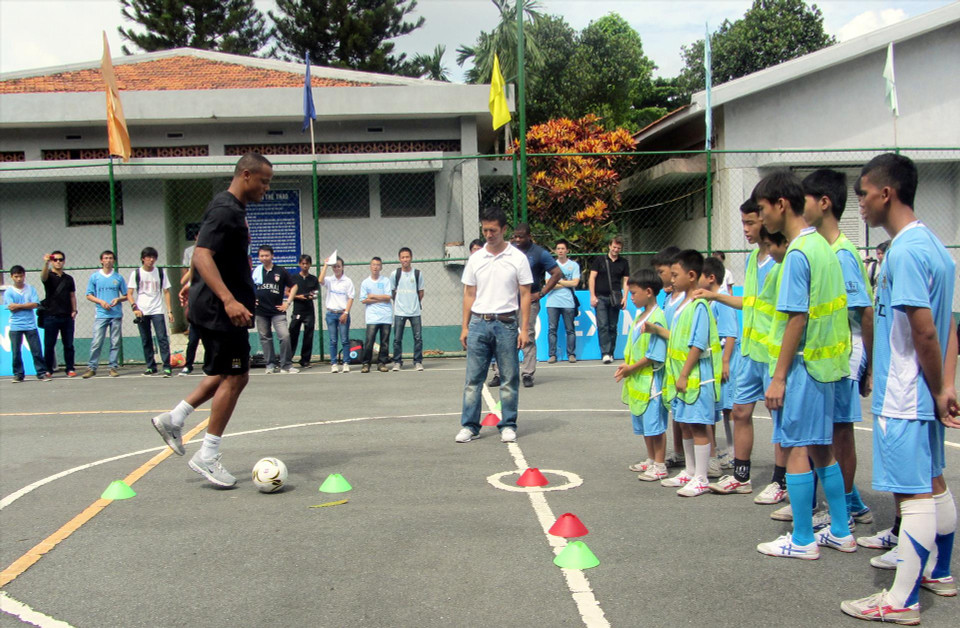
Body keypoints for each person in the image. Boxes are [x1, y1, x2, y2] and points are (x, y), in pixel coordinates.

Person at [841, 154, 958, 623]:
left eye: (864, 195)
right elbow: (951, 324)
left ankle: (900, 600)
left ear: (886, 193)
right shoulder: (934, 246)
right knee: (931, 484)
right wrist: (945, 386)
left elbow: (927, 330)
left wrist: (935, 386)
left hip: (905, 393)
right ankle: (940, 572)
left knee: (912, 496)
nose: (862, 206)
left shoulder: (906, 252)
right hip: (922, 391)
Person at [150, 152, 271, 488]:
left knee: (225, 374)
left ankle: (174, 418)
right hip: (221, 312)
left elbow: (201, 246)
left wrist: (192, 282)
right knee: (236, 377)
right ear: (246, 175)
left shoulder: (228, 206)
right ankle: (207, 455)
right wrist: (229, 299)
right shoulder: (225, 209)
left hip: (214, 307)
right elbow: (203, 253)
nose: (265, 188)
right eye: (263, 181)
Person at [751, 171, 854, 560]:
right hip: (826, 366)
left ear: (781, 204)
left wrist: (778, 378)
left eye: (762, 210)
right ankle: (841, 530)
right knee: (821, 448)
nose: (762, 219)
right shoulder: (824, 247)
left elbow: (797, 318)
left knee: (795, 446)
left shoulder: (796, 253)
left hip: (804, 366)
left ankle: (803, 538)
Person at [802, 169, 875, 527]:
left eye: (806, 200)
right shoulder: (824, 249)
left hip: (848, 351)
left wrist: (870, 366)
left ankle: (841, 509)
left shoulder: (842, 254)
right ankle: (852, 503)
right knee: (830, 430)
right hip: (833, 350)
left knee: (840, 432)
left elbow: (865, 313)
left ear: (824, 203)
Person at [456, 206, 532, 444]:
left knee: (509, 378)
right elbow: (469, 293)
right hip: (479, 322)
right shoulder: (476, 258)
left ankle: (508, 424)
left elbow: (526, 294)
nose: (489, 234)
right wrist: (465, 326)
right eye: (485, 229)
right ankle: (469, 425)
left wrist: (524, 328)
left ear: (504, 229)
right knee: (473, 380)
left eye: (493, 230)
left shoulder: (517, 258)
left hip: (507, 323)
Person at [659, 250, 722, 497]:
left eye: (676, 275)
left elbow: (697, 343)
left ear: (692, 275)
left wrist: (684, 374)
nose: (672, 279)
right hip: (682, 378)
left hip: (695, 378)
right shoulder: (681, 305)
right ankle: (690, 470)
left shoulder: (699, 305)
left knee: (697, 427)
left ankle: (701, 477)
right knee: (685, 424)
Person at [489, 224, 561, 387]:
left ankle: (527, 373)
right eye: (515, 236)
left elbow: (557, 273)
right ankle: (500, 373)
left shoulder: (539, 253)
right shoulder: (508, 250)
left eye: (521, 236)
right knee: (503, 335)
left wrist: (541, 293)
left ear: (529, 236)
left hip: (529, 299)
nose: (518, 240)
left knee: (527, 334)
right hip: (507, 300)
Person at [615, 269, 668, 482]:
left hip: (651, 380)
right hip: (638, 379)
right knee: (645, 423)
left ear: (649, 292)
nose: (632, 297)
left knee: (655, 425)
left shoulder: (657, 317)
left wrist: (632, 368)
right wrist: (627, 365)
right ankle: (650, 458)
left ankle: (660, 464)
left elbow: (655, 355)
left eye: (634, 293)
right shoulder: (640, 315)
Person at [699, 256, 739, 473]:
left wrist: (725, 361)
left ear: (711, 278)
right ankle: (729, 452)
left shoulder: (722, 300)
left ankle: (734, 453)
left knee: (729, 408)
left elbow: (731, 333)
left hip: (727, 359)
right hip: (717, 360)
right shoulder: (711, 300)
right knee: (722, 407)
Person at [127, 246, 174, 377]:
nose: (151, 260)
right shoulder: (136, 273)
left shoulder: (160, 272)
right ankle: (151, 366)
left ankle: (167, 366)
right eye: (148, 257)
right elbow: (129, 293)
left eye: (153, 257)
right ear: (143, 259)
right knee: (146, 339)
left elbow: (166, 291)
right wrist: (135, 308)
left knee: (162, 338)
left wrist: (170, 311)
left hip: (157, 309)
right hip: (142, 310)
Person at [253, 245, 298, 374]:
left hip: (277, 311)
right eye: (261, 256)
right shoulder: (257, 271)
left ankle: (286, 365)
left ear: (272, 256)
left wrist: (287, 303)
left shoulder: (280, 271)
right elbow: (249, 287)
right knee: (265, 337)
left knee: (284, 336)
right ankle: (270, 365)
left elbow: (294, 286)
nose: (264, 258)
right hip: (261, 311)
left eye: (267, 255)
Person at [82, 250, 127, 378]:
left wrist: (118, 299)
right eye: (106, 258)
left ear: (114, 261)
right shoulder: (95, 277)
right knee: (97, 341)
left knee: (115, 341)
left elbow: (126, 295)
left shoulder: (118, 277)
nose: (108, 260)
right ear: (101, 260)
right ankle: (92, 367)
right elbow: (89, 295)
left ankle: (113, 367)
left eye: (110, 258)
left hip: (116, 314)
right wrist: (100, 301)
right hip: (101, 314)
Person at [4, 265, 51, 383]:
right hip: (15, 326)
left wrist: (19, 306)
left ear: (24, 276)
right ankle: (18, 374)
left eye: (21, 276)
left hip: (30, 325)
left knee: (36, 350)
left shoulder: (31, 289)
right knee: (16, 352)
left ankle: (41, 373)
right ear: (12, 277)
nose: (19, 279)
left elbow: (35, 304)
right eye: (16, 277)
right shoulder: (9, 292)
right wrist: (26, 305)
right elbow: (11, 307)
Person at [589, 236, 630, 364]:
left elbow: (626, 281)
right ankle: (605, 353)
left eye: (618, 248)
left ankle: (611, 352)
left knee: (613, 326)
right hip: (600, 297)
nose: (616, 250)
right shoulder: (599, 260)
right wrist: (592, 296)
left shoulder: (624, 262)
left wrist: (625, 297)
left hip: (616, 298)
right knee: (603, 325)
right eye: (614, 247)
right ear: (609, 246)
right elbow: (592, 278)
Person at [39, 250, 77, 377]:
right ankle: (48, 369)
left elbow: (72, 295)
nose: (58, 262)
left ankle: (70, 368)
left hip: (66, 316)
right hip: (51, 316)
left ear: (64, 261)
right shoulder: (49, 276)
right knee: (49, 344)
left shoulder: (69, 279)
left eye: (60, 259)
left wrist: (74, 310)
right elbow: (43, 277)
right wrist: (46, 263)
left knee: (69, 344)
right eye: (55, 260)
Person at [545, 238, 580, 364]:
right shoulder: (551, 265)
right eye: (558, 249)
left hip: (568, 302)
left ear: (567, 251)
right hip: (552, 302)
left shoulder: (574, 265)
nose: (560, 251)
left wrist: (558, 281)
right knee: (552, 329)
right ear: (555, 251)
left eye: (563, 249)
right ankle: (552, 354)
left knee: (570, 329)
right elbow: (549, 284)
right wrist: (566, 283)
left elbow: (575, 282)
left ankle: (571, 354)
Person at [390, 247, 425, 372]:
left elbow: (421, 292)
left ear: (411, 258)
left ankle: (417, 361)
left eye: (407, 257)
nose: (405, 259)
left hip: (415, 311)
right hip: (400, 311)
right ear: (400, 259)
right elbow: (392, 292)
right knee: (397, 339)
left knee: (418, 338)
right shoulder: (395, 274)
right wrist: (400, 303)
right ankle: (397, 362)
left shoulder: (417, 274)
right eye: (403, 257)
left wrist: (414, 303)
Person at [318, 256, 355, 373]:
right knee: (333, 340)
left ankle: (346, 363)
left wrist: (346, 312)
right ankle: (334, 363)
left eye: (338, 266)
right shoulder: (329, 280)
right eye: (334, 266)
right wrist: (325, 265)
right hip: (331, 314)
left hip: (342, 314)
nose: (336, 268)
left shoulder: (347, 281)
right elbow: (320, 280)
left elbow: (350, 298)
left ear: (342, 267)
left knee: (344, 340)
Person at [359, 257, 392, 373]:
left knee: (385, 342)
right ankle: (366, 363)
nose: (375, 267)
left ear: (381, 267)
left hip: (386, 316)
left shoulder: (386, 281)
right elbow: (363, 300)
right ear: (370, 266)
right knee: (369, 341)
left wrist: (372, 296)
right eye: (373, 264)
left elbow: (388, 297)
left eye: (378, 265)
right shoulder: (365, 282)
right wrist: (380, 298)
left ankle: (382, 362)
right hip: (372, 317)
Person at [289, 254, 319, 369]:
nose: (305, 266)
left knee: (308, 335)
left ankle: (305, 360)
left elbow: (315, 294)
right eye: (303, 263)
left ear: (310, 264)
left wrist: (311, 296)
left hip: (309, 312)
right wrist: (298, 296)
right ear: (299, 264)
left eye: (307, 263)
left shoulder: (313, 279)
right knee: (292, 333)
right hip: (297, 310)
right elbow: (287, 293)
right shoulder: (293, 278)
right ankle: (289, 358)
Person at [179, 230, 200, 376]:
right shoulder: (193, 260)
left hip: (209, 307)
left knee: (211, 340)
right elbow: (183, 281)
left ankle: (211, 366)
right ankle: (188, 365)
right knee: (193, 339)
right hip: (196, 305)